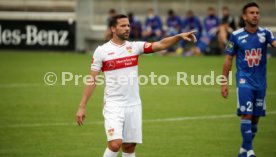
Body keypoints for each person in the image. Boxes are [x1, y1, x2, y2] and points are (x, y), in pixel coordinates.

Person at [76, 14, 196, 157]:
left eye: (128, 25)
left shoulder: (134, 47)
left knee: (129, 147)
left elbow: (161, 44)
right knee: (115, 144)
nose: (127, 28)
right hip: (113, 104)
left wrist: (178, 37)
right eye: (123, 26)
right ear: (113, 28)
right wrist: (82, 106)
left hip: (134, 104)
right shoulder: (102, 51)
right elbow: (92, 80)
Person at [221, 2, 276, 157]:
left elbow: (274, 43)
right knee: (247, 114)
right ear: (244, 16)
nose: (255, 15)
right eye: (251, 12)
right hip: (244, 81)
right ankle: (250, 151)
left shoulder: (266, 34)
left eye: (257, 12)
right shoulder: (236, 36)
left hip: (261, 83)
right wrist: (224, 82)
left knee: (255, 120)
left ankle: (243, 150)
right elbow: (228, 59)